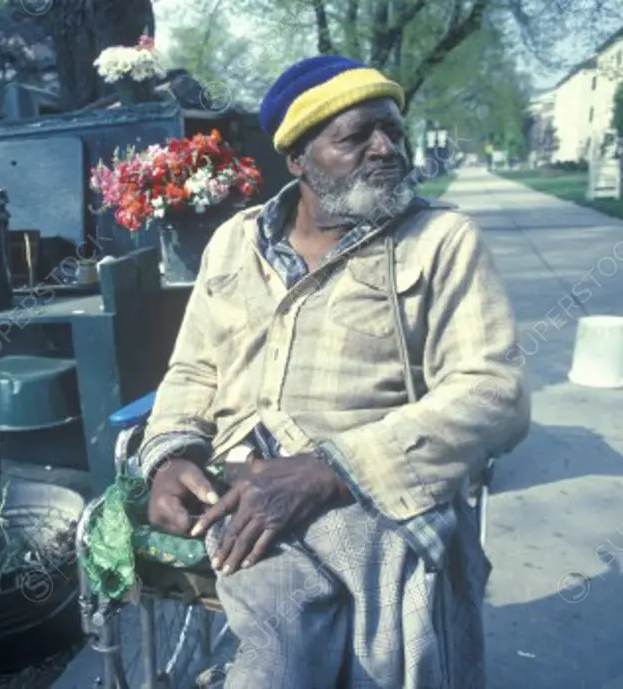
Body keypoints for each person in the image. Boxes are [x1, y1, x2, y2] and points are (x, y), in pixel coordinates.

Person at [139, 55, 531, 689]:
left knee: (381, 648)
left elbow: (497, 392)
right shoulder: (233, 244)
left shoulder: (442, 240)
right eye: (356, 137)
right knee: (280, 648)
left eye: (394, 131)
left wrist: (329, 469)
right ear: (298, 158)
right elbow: (191, 368)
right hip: (243, 497)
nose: (387, 149)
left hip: (372, 492)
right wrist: (169, 458)